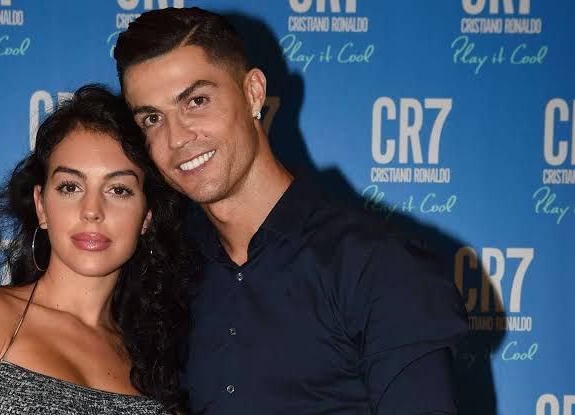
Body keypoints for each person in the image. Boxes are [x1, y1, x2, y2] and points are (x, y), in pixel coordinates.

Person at [114, 7, 468, 414]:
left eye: (196, 101)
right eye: (152, 119)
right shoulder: (164, 274)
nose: (176, 138)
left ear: (253, 93)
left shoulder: (378, 265)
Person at [0, 85, 193, 415]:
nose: (92, 211)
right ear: (41, 206)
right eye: (70, 187)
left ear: (146, 217)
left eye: (118, 190)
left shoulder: (159, 360)